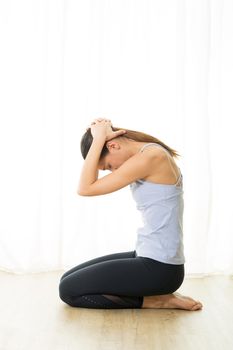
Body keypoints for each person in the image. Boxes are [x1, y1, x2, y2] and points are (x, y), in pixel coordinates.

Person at [59, 118, 203, 310]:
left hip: (161, 269)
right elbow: (88, 186)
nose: (114, 170)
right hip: (147, 256)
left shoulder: (152, 157)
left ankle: (157, 300)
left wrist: (98, 138)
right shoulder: (147, 153)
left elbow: (85, 188)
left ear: (113, 144)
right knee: (67, 279)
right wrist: (99, 140)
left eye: (109, 166)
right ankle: (156, 295)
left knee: (68, 290)